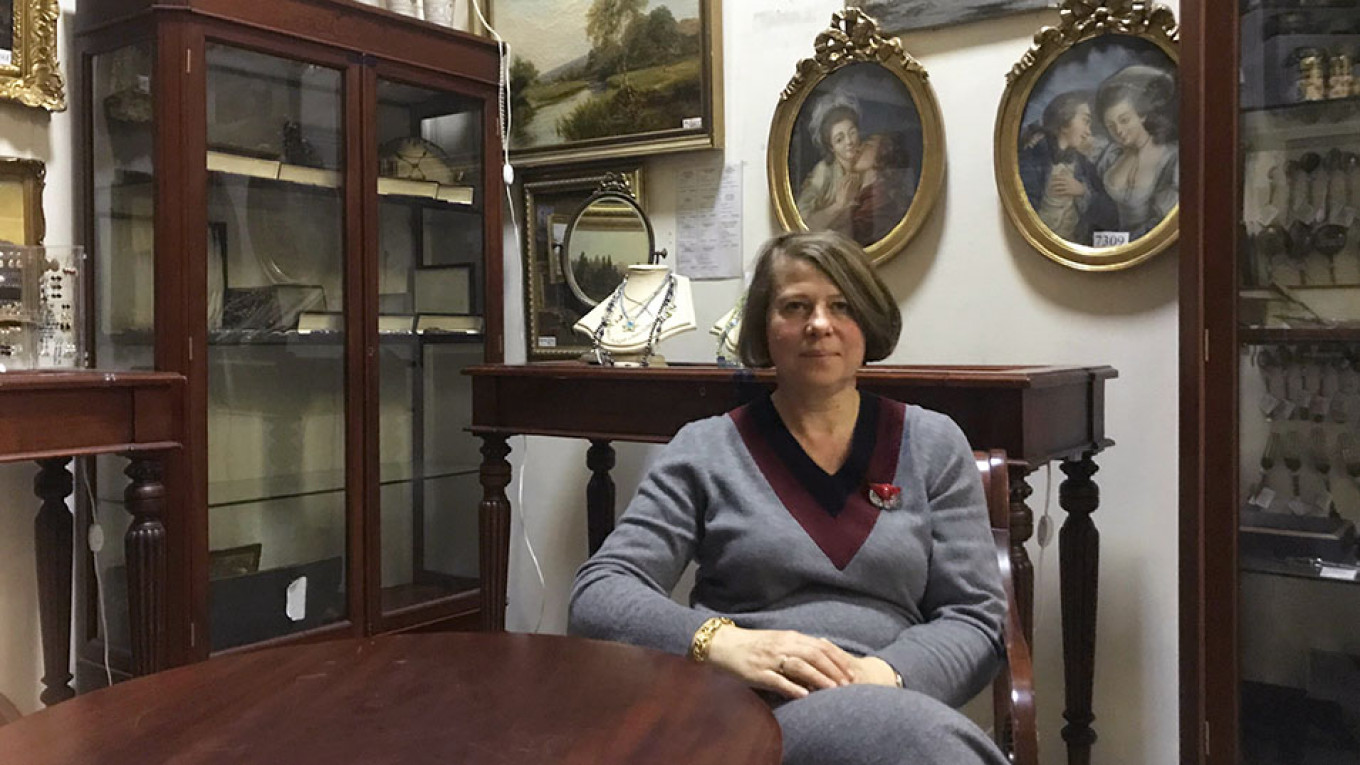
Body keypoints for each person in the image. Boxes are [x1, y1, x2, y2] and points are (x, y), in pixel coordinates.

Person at [569, 230, 1009, 765]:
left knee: (922, 742)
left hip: (895, 700)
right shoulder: (705, 449)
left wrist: (883, 676)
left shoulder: (934, 444)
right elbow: (599, 595)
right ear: (764, 328)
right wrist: (723, 642)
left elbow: (975, 618)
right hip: (743, 714)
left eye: (841, 305)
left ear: (868, 321)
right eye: (795, 306)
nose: (819, 324)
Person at [1018, 90, 1117, 245]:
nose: (1088, 132)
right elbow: (1021, 211)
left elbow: (1111, 216)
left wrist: (1083, 191)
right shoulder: (1033, 157)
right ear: (1064, 122)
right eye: (1085, 121)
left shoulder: (1084, 165)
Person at [1094, 65, 1179, 241]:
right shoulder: (1110, 155)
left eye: (1124, 120)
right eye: (1111, 125)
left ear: (1142, 115)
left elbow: (1165, 219)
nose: (1118, 130)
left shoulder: (1171, 158)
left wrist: (1129, 246)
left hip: (1153, 248)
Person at [794, 96, 863, 235]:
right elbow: (801, 222)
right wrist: (838, 206)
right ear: (831, 147)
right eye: (839, 139)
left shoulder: (866, 163)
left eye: (852, 133)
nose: (849, 142)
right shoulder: (824, 171)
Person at [849, 132, 916, 246]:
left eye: (868, 145)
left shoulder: (879, 199)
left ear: (882, 156)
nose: (859, 148)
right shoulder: (863, 195)